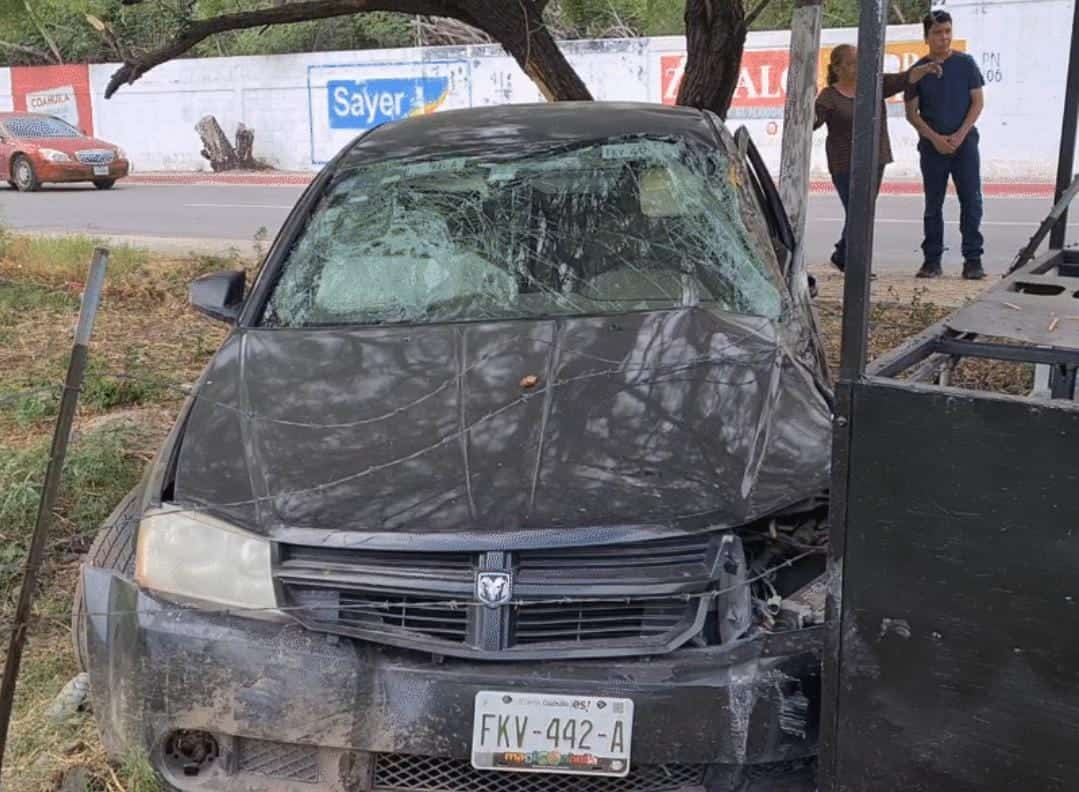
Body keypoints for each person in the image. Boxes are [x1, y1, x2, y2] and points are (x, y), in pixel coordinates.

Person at [814, 45, 941, 273]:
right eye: (852, 63)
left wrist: (926, 69)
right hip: (844, 163)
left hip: (875, 158)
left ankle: (843, 254)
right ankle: (856, 265)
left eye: (860, 61)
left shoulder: (873, 85)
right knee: (857, 212)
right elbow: (813, 123)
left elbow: (904, 78)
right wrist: (806, 108)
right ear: (838, 68)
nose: (858, 66)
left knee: (864, 212)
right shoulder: (828, 96)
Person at [905, 10, 987, 280]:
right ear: (926, 36)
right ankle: (932, 261)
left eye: (947, 31)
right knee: (933, 205)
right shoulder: (917, 72)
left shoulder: (966, 64)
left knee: (971, 201)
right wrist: (935, 138)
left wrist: (961, 134)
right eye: (938, 33)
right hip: (932, 147)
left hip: (964, 144)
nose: (944, 38)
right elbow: (912, 114)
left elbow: (977, 102)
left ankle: (972, 260)